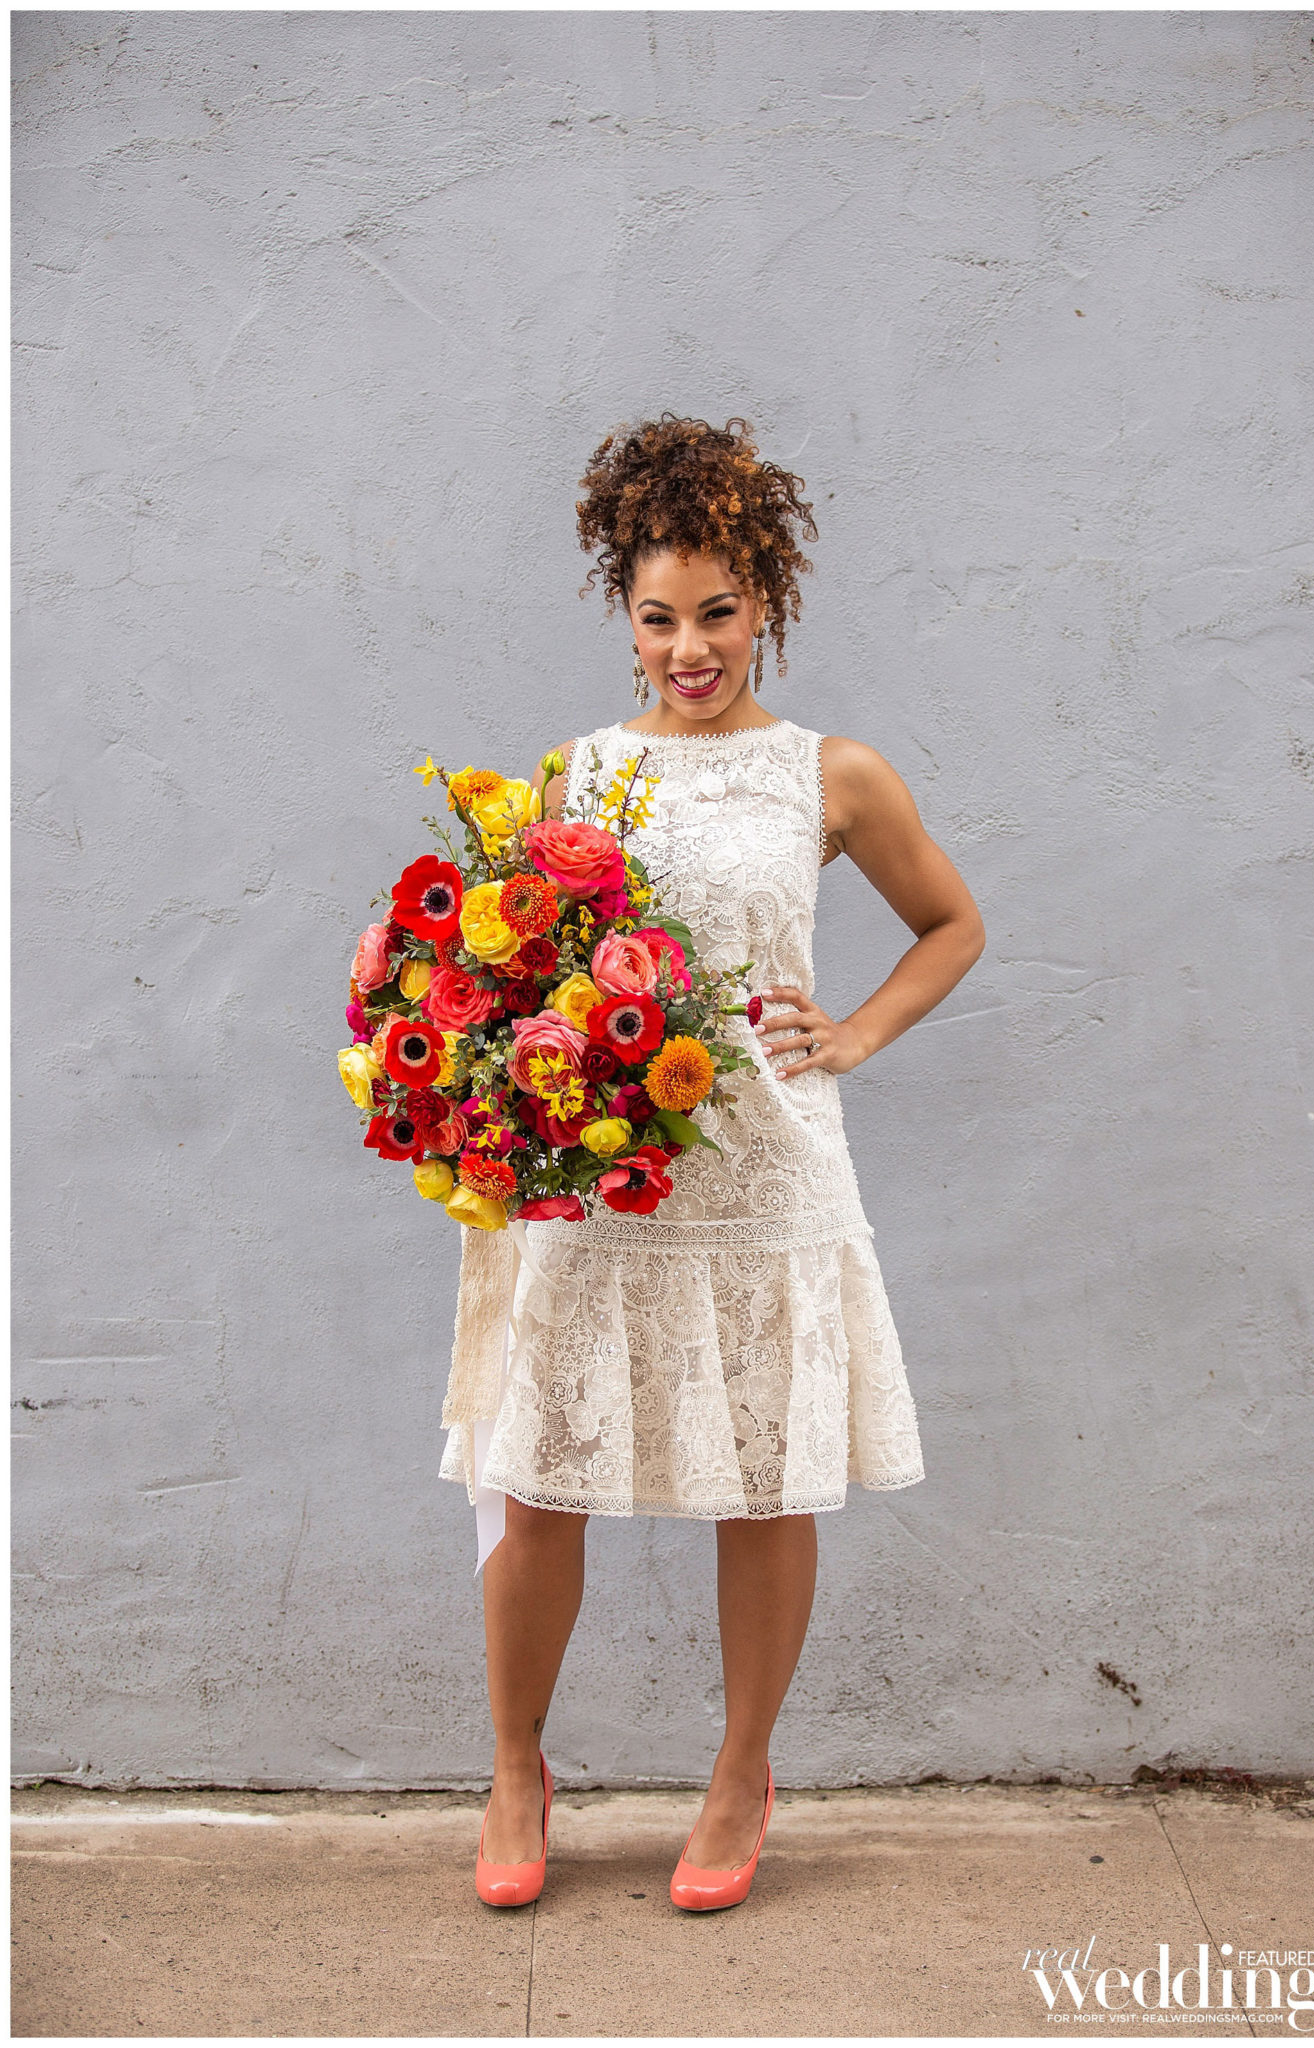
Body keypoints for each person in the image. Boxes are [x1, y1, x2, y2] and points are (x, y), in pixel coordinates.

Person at [440, 414, 986, 1910]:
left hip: (765, 1175)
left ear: (768, 603)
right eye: (659, 618)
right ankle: (514, 1766)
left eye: (720, 613)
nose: (691, 648)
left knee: (766, 1484)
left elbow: (953, 925)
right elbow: (515, 976)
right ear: (624, 617)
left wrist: (853, 1033)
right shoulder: (577, 779)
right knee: (537, 1479)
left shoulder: (832, 774)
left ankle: (743, 1775)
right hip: (597, 1179)